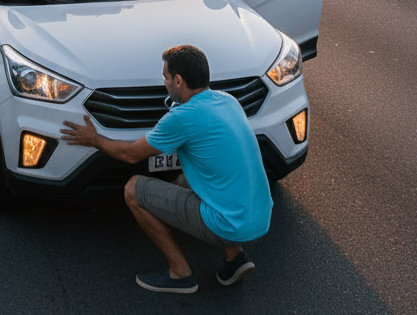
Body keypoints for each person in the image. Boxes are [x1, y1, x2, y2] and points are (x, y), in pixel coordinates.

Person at [60, 44, 272, 294]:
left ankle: (180, 273)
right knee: (197, 177)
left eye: (165, 77)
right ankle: (234, 258)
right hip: (260, 218)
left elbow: (130, 155)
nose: (164, 82)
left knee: (133, 189)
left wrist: (94, 139)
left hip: (230, 226)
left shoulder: (184, 117)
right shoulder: (227, 101)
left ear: (179, 80)